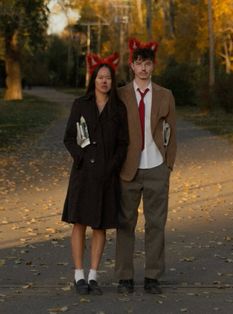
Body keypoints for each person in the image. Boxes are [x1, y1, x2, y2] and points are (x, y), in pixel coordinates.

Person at [62, 52, 129, 295]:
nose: (104, 82)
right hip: (82, 174)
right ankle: (78, 274)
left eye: (108, 78)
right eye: (100, 77)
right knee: (79, 222)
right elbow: (69, 137)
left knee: (99, 225)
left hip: (106, 175)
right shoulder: (80, 104)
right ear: (94, 80)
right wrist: (79, 157)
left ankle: (93, 276)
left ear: (112, 82)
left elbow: (124, 143)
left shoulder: (118, 109)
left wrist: (112, 166)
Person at [115, 38, 177, 294]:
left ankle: (152, 276)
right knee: (125, 223)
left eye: (147, 63)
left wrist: (168, 165)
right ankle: (125, 277)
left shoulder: (165, 95)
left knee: (156, 225)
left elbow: (171, 131)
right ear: (131, 66)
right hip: (128, 169)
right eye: (138, 63)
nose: (143, 68)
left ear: (153, 66)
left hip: (156, 168)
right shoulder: (120, 94)